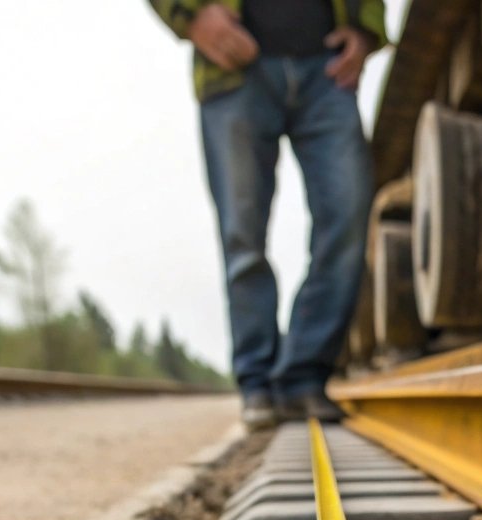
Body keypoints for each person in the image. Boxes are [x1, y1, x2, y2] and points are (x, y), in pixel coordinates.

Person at [149, 0, 387, 428]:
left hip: (327, 68)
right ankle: (256, 380)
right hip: (234, 68)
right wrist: (190, 13)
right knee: (243, 232)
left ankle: (303, 376)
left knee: (348, 217)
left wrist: (366, 28)